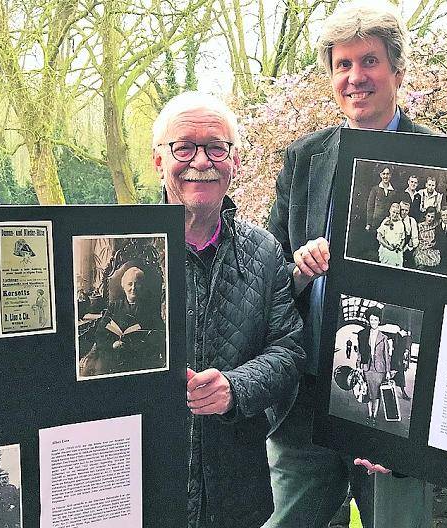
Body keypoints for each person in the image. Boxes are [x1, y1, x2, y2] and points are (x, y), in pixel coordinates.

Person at [266, 3, 435, 527]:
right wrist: (298, 269)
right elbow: (270, 272)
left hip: (393, 396)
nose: (355, 77)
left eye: (370, 61)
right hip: (308, 392)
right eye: (343, 65)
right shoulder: (305, 157)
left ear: (397, 73)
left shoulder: (443, 158)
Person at [153, 91, 304, 528]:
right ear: (158, 161)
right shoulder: (123, 246)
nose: (201, 160)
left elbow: (289, 351)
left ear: (234, 161)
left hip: (236, 492)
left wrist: (235, 388)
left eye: (216, 147)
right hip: (144, 485)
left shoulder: (263, 251)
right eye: (183, 146)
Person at [78, 262, 165, 376]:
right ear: (123, 286)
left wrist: (133, 346)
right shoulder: (114, 307)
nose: (133, 288)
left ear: (142, 286)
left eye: (137, 284)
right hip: (113, 355)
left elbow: (159, 334)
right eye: (129, 284)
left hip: (138, 358)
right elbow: (100, 333)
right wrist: (112, 344)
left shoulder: (150, 309)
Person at [356, 307, 390, 424]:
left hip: (380, 370)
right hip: (367, 368)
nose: (373, 322)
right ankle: (370, 414)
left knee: (377, 394)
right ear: (369, 321)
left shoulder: (384, 337)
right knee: (368, 393)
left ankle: (374, 416)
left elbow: (386, 356)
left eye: (375, 320)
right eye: (371, 320)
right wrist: (359, 366)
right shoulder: (364, 335)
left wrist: (388, 371)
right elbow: (360, 352)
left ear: (379, 321)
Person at [365, 168, 398, 233]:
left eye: (387, 174)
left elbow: (395, 208)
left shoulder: (394, 191)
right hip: (376, 222)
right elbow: (370, 207)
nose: (385, 176)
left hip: (388, 222)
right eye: (384, 174)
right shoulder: (375, 189)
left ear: (390, 175)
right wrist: (369, 223)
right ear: (380, 175)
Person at [376, 202, 407, 266]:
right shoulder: (385, 222)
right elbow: (379, 237)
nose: (395, 215)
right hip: (387, 248)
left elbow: (403, 239)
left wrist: (400, 247)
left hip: (397, 250)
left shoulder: (401, 224)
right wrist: (388, 246)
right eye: (393, 212)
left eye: (397, 213)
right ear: (390, 211)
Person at [414, 207, 440, 271]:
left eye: (432, 217)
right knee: (421, 262)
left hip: (431, 249)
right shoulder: (419, 226)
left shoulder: (435, 225)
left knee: (435, 262)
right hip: (421, 249)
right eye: (428, 216)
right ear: (425, 215)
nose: (430, 219)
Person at [398, 199, 420, 268]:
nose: (404, 212)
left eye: (406, 210)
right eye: (402, 209)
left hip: (407, 250)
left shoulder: (411, 221)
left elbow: (415, 239)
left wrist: (410, 246)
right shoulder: (394, 219)